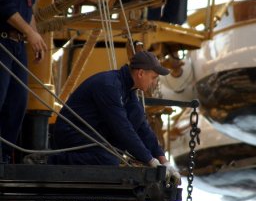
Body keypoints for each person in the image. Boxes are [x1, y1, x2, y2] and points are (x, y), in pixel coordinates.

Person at [48, 51, 181, 185]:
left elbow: (142, 128)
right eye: (153, 77)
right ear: (140, 73)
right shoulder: (109, 86)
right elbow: (122, 129)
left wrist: (164, 162)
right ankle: (52, 159)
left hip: (91, 135)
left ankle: (109, 157)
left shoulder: (129, 90)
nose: (154, 83)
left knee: (136, 113)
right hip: (71, 134)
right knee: (109, 161)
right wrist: (150, 160)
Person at [0, 0, 49, 163]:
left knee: (17, 105)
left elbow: (27, 6)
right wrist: (30, 34)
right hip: (2, 43)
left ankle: (4, 158)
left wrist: (34, 37)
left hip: (18, 45)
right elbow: (4, 6)